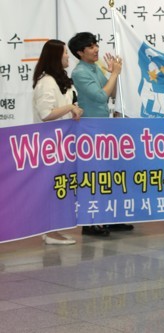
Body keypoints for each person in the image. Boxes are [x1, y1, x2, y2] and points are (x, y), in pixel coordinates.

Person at [68, 32, 132, 235]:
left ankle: (110, 217)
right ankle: (90, 223)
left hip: (104, 127)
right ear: (80, 52)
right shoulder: (79, 72)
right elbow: (100, 96)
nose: (96, 49)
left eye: (96, 44)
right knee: (92, 175)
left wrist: (113, 73)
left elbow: (111, 93)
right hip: (89, 129)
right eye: (90, 46)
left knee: (107, 174)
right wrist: (114, 74)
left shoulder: (94, 67)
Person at [32, 39, 84, 245]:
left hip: (63, 144)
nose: (68, 57)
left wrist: (75, 108)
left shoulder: (61, 79)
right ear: (55, 57)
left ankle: (54, 229)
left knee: (59, 187)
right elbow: (46, 114)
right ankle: (49, 230)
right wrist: (70, 109)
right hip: (49, 144)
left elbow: (68, 104)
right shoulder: (46, 82)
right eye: (64, 53)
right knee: (51, 187)